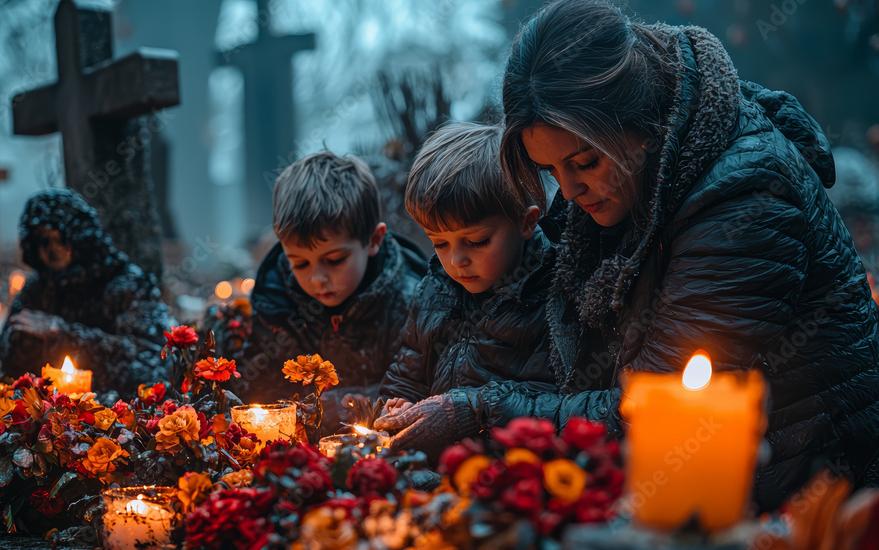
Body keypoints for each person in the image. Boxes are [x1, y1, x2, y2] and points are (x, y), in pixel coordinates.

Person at [376, 0, 879, 511]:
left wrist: (481, 410)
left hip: (802, 498)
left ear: (636, 120)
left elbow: (657, 414)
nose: (568, 193)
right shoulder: (634, 178)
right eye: (551, 171)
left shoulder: (742, 203)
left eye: (584, 162)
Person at [379, 122, 556, 448]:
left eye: (477, 241)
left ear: (526, 222)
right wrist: (399, 404)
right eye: (440, 244)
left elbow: (549, 402)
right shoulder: (434, 291)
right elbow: (407, 376)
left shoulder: (549, 298)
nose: (456, 260)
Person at [228, 151, 427, 430]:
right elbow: (263, 388)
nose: (317, 278)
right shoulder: (276, 299)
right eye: (299, 262)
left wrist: (339, 407)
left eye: (334, 260)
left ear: (373, 240)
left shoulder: (412, 297)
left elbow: (419, 389)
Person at [0, 189, 174, 397]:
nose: (51, 250)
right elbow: (10, 362)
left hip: (120, 416)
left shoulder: (128, 284)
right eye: (42, 241)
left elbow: (154, 363)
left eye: (60, 239)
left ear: (81, 239)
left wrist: (65, 335)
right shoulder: (37, 289)